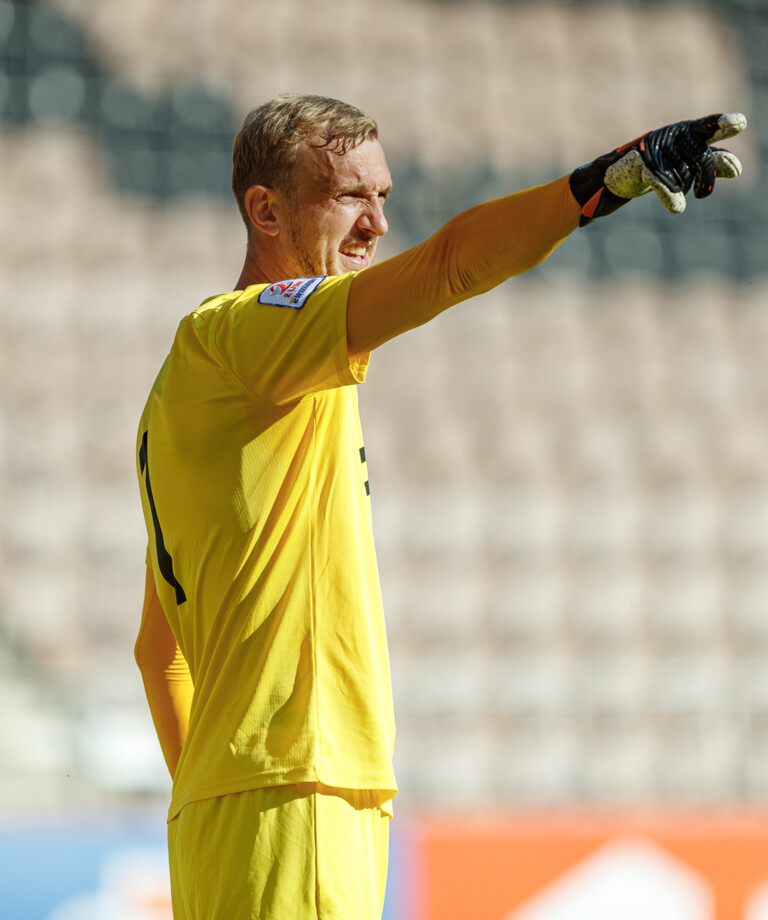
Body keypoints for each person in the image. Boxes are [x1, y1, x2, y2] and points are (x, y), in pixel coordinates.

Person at [134, 94, 746, 919]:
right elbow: (449, 265)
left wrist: (216, 790)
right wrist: (597, 186)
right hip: (301, 788)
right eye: (350, 196)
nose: (377, 225)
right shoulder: (245, 338)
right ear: (265, 209)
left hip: (245, 808)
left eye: (384, 197)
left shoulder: (193, 397)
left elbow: (158, 653)